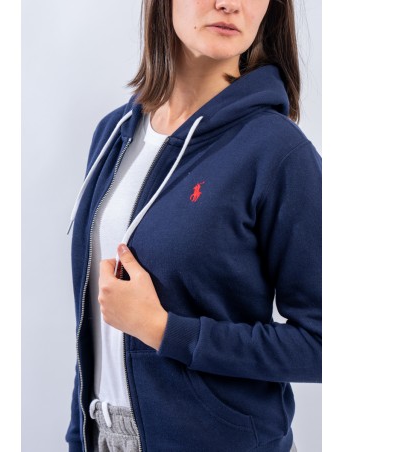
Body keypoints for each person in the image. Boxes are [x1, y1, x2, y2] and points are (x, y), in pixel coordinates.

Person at [65, 0, 321, 451]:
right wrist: (78, 436)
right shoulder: (114, 134)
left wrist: (164, 330)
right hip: (103, 433)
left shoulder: (279, 152)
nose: (229, 4)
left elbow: (323, 344)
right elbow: (94, 327)